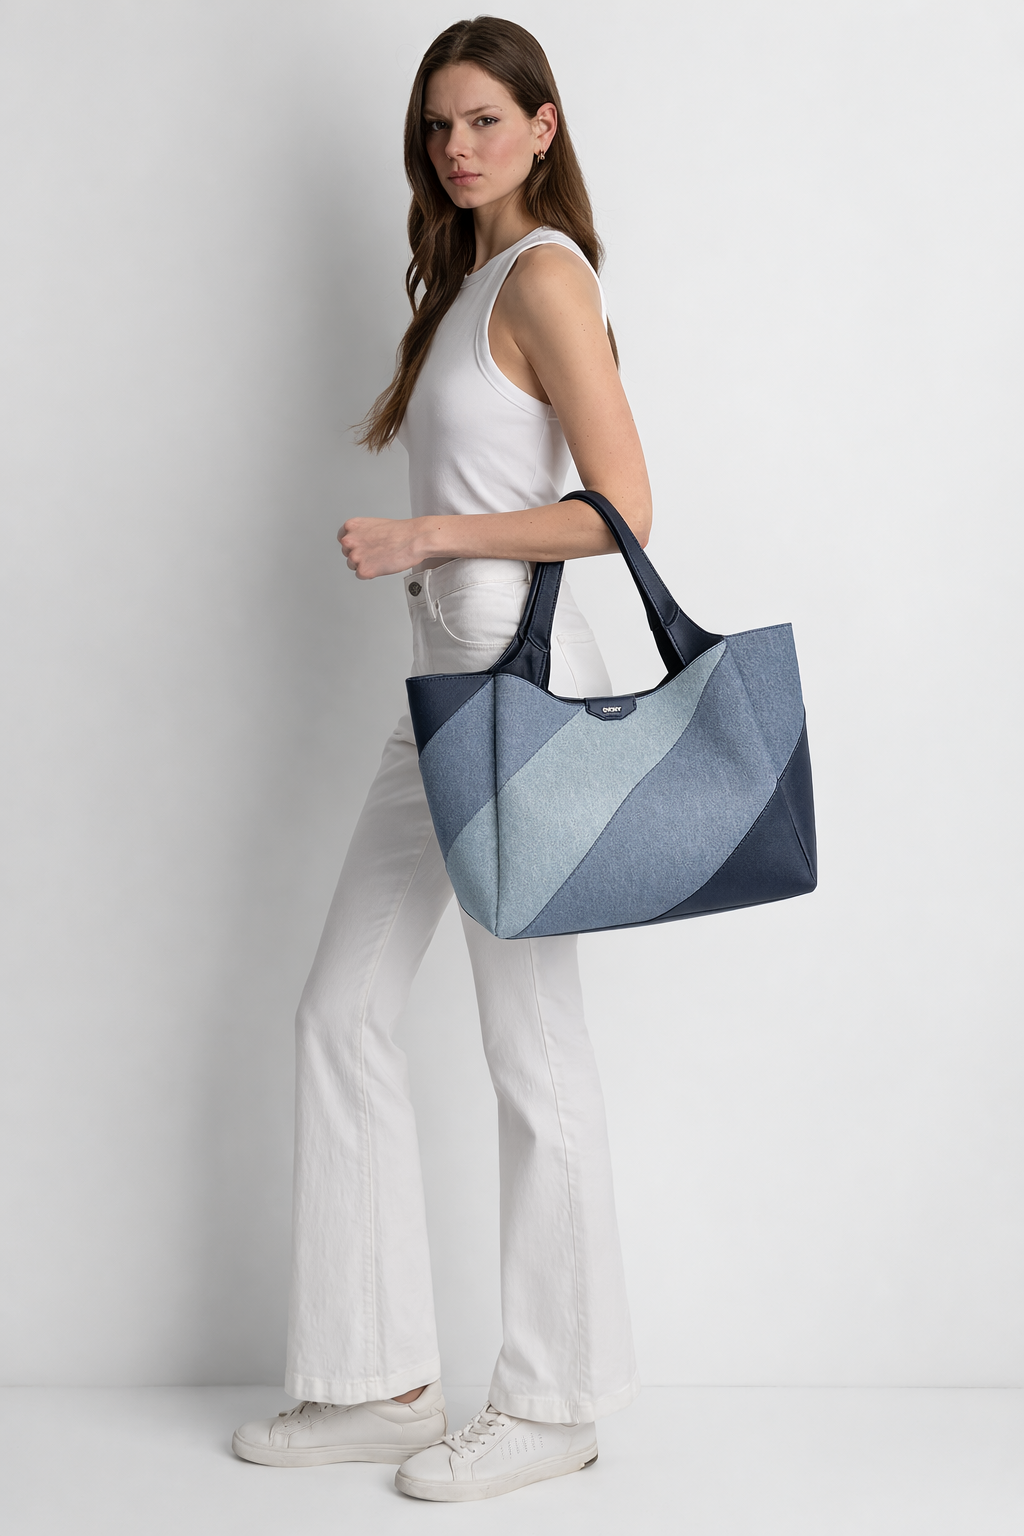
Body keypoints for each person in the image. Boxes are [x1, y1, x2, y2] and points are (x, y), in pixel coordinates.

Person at [233, 16, 652, 1502]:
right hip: (439, 692)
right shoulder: (465, 281)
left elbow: (623, 507)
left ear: (544, 125)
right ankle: (381, 1381)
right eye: (437, 125)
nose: (457, 147)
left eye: (483, 120)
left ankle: (555, 1401)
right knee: (339, 1009)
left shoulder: (545, 276)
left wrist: (430, 535)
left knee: (532, 1046)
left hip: (515, 687)